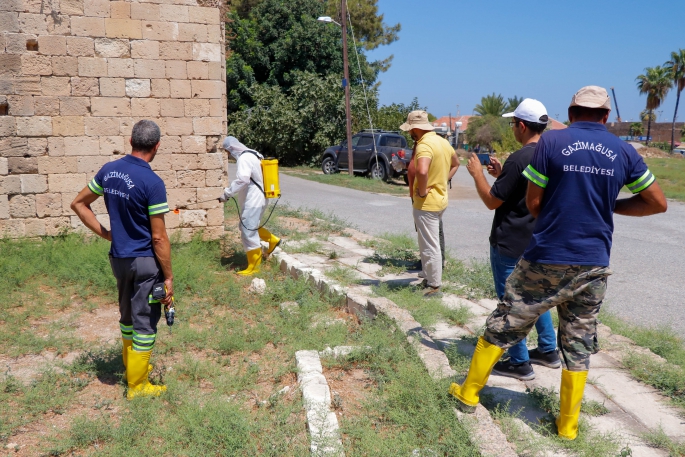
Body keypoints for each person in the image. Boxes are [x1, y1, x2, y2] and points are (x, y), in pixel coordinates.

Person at [449, 86, 667, 440]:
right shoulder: (624, 151)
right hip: (593, 262)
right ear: (606, 117)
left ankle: (469, 393)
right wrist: (608, 205)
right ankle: (567, 426)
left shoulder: (550, 143)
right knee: (578, 343)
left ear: (570, 110)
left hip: (546, 255)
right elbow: (657, 202)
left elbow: (534, 203)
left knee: (505, 321)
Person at [71, 120, 174, 399]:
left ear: (130, 142)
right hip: (144, 263)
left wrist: (107, 234)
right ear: (157, 146)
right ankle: (138, 386)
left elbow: (78, 203)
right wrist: (168, 277)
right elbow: (159, 238)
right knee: (145, 322)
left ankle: (132, 368)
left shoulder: (109, 170)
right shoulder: (152, 182)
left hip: (118, 259)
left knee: (127, 316)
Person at [465, 99, 560, 381]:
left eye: (512, 124)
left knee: (511, 304)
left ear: (521, 126)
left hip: (510, 243)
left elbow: (492, 201)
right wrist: (500, 174)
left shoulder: (520, 157)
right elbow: (523, 189)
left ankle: (519, 363)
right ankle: (548, 350)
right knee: (536, 300)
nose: (513, 129)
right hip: (537, 242)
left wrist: (478, 175)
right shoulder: (551, 153)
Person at [400, 110, 459, 297]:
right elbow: (456, 163)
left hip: (427, 203)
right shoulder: (442, 142)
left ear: (415, 129)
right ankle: (428, 277)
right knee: (427, 242)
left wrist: (423, 190)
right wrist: (442, 180)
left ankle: (434, 286)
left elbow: (422, 171)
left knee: (430, 245)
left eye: (410, 130)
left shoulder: (424, 145)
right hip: (440, 200)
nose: (410, 134)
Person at [219, 137, 280, 276]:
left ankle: (254, 268)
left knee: (248, 231)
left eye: (227, 152)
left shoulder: (244, 158)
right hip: (260, 198)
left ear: (231, 148)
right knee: (247, 226)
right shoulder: (255, 154)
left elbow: (243, 179)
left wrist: (227, 193)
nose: (228, 155)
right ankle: (273, 240)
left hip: (253, 200)